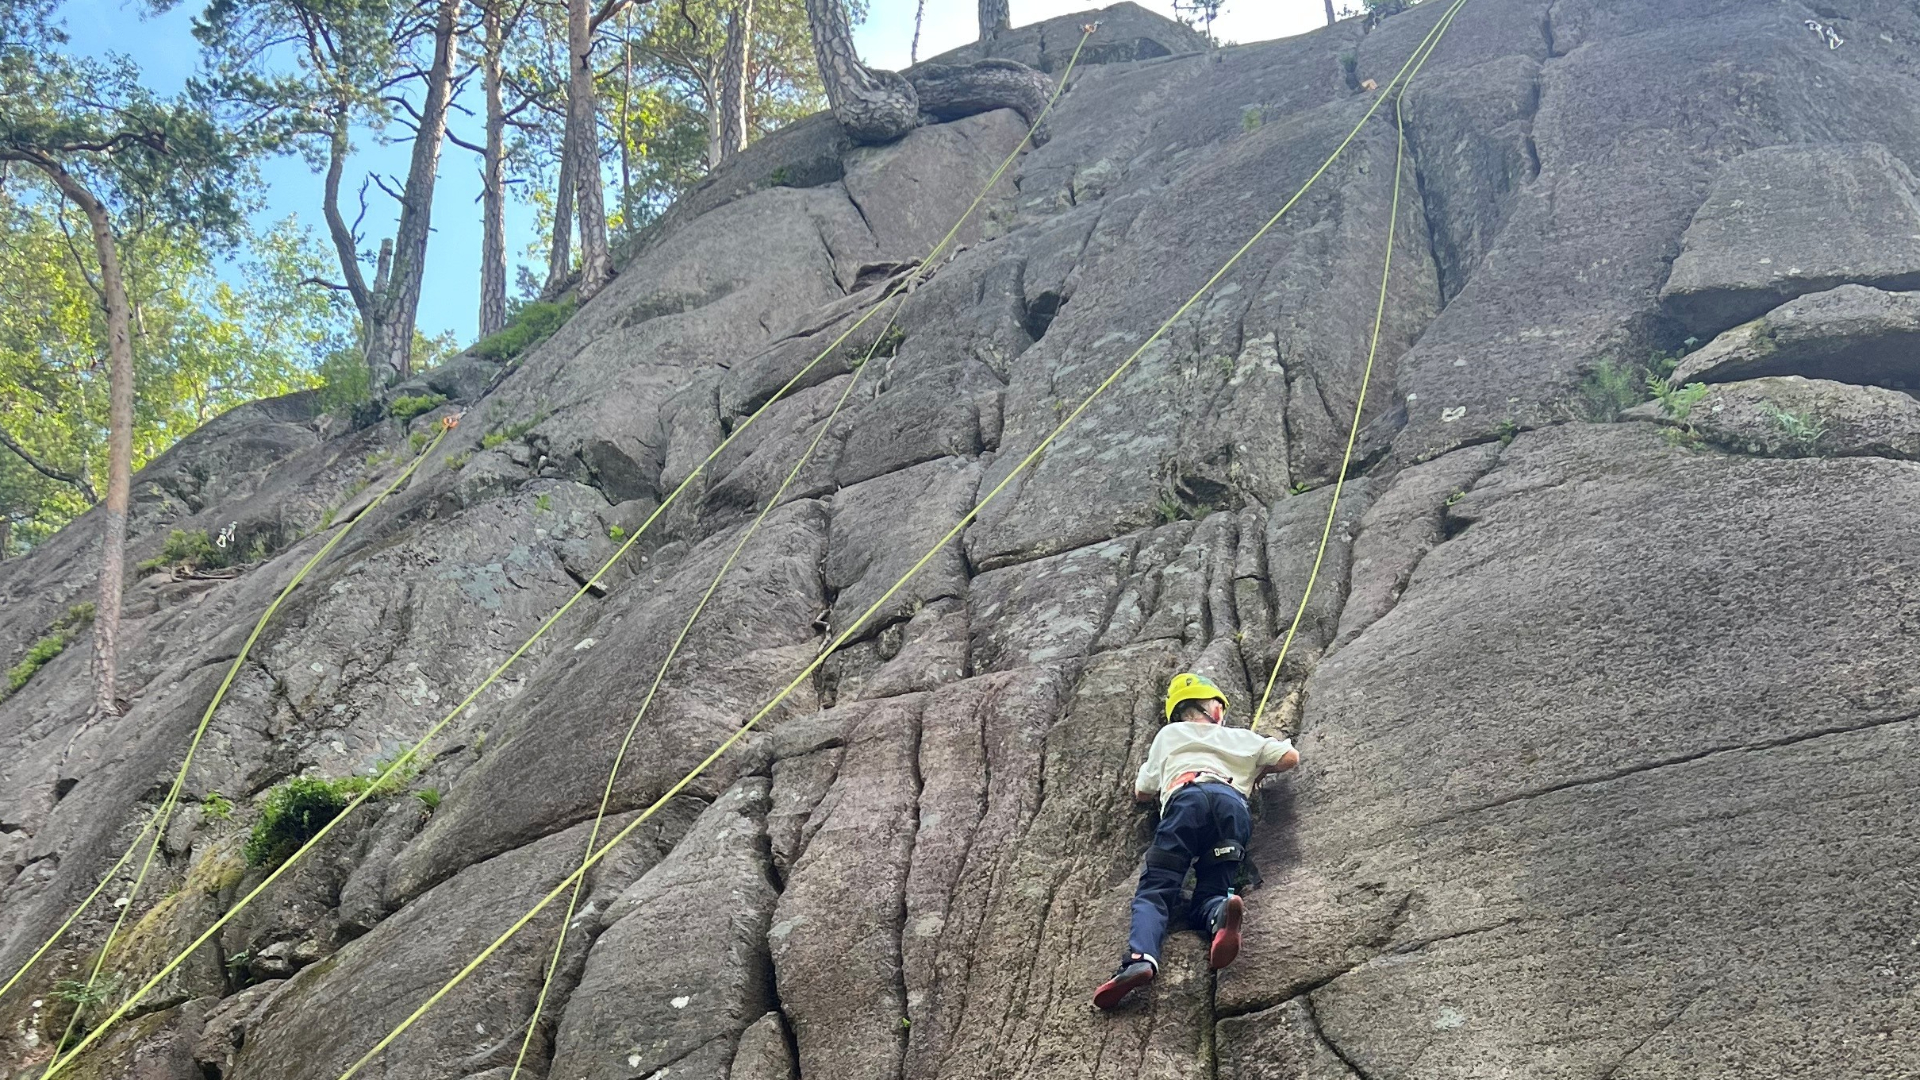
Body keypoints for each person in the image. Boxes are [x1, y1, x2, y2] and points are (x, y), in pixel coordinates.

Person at [1093, 672, 1300, 1010]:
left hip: (1186, 800)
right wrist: (1253, 774)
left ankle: (1140, 959)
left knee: (1157, 889)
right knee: (1215, 887)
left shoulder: (1169, 734)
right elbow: (1290, 758)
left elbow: (1142, 791)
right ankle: (1220, 913)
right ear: (1213, 709)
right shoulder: (1240, 737)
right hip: (1232, 805)